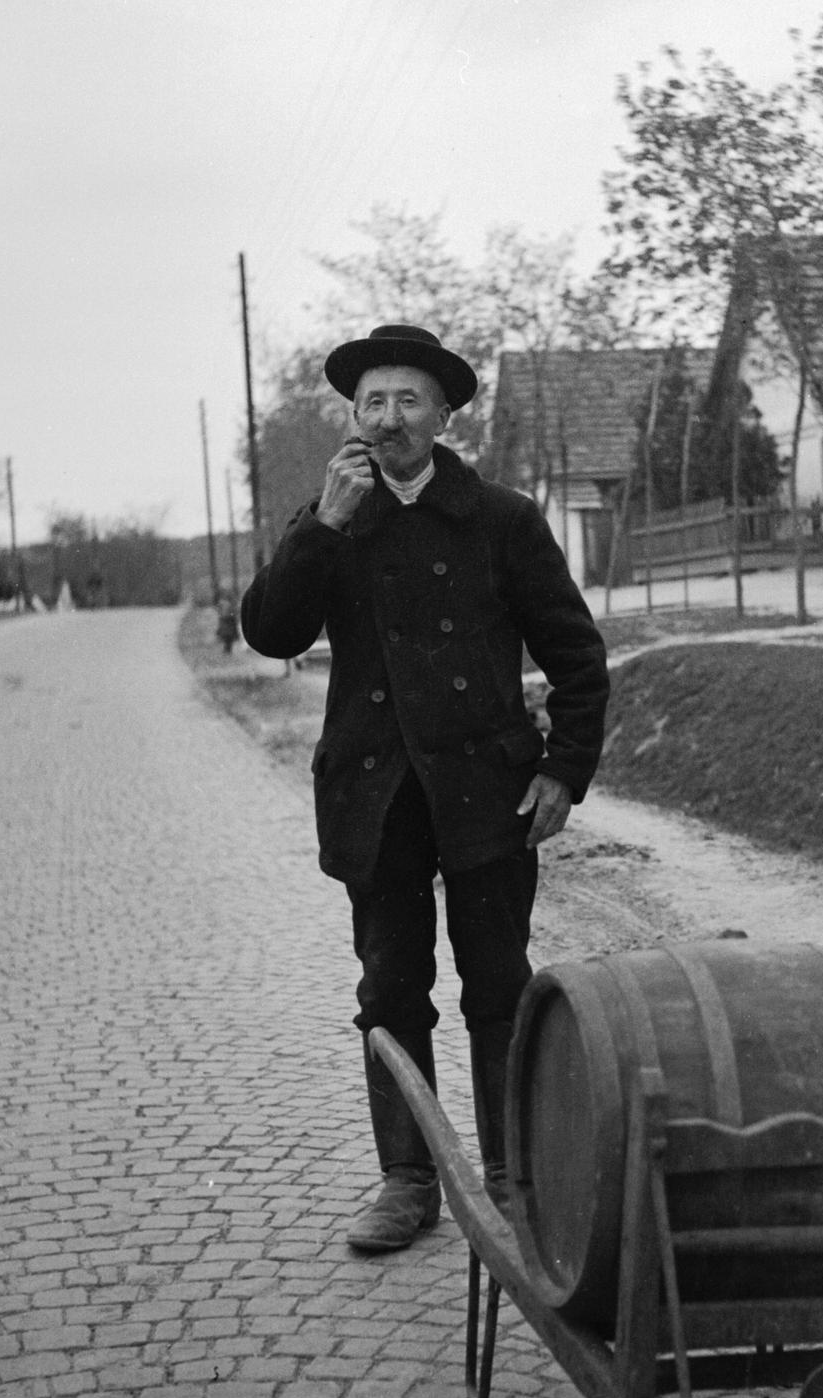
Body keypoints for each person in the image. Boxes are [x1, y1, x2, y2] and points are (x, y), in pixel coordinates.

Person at [240, 324, 609, 1253]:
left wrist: (564, 769)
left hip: (488, 792)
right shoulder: (331, 515)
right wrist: (323, 526)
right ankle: (407, 1181)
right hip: (378, 796)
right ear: (352, 417)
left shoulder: (501, 518)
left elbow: (575, 656)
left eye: (409, 401)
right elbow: (272, 634)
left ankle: (512, 1177)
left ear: (444, 417)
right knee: (390, 990)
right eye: (373, 402)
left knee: (498, 986)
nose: (390, 418)